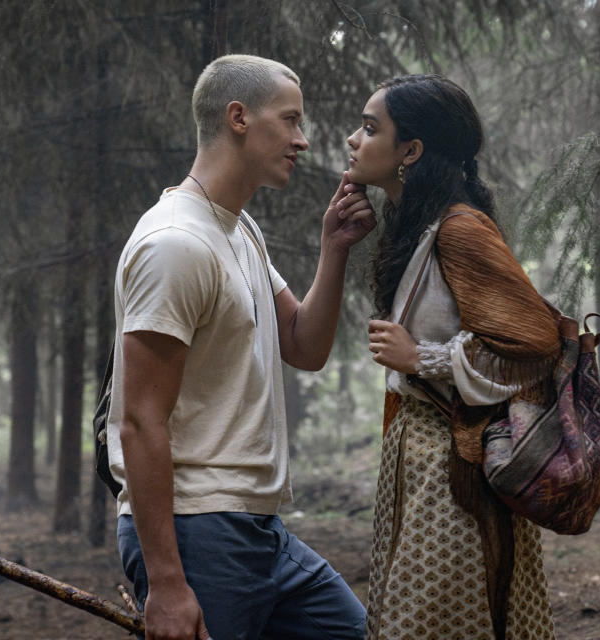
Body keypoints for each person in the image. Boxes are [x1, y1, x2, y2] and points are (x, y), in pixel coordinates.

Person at [106, 54, 375, 640]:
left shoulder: (236, 227)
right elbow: (139, 420)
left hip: (258, 529)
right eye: (290, 120)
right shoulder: (175, 243)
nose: (302, 140)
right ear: (238, 118)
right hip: (197, 532)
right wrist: (169, 585)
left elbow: (303, 345)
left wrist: (334, 250)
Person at [350, 74, 561, 639]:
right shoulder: (417, 227)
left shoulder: (460, 230)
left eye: (371, 129)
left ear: (411, 151)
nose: (353, 139)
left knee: (435, 622)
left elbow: (537, 341)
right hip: (419, 460)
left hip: (456, 471)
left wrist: (423, 358)